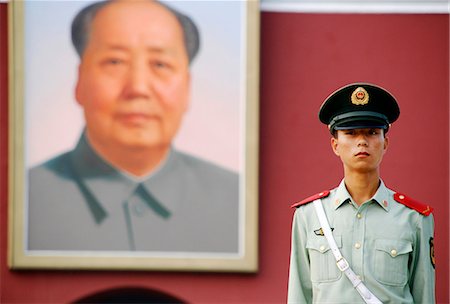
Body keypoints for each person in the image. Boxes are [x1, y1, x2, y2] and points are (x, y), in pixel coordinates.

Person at [28, 0, 239, 253]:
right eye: (115, 62)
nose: (138, 88)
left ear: (187, 87)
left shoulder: (239, 204)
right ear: (79, 80)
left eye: (160, 64)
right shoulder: (24, 200)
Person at [287, 83, 435, 303]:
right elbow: (299, 295)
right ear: (335, 145)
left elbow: (425, 297)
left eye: (372, 132)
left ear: (385, 143)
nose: (362, 141)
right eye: (351, 133)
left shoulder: (414, 218)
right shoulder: (309, 216)